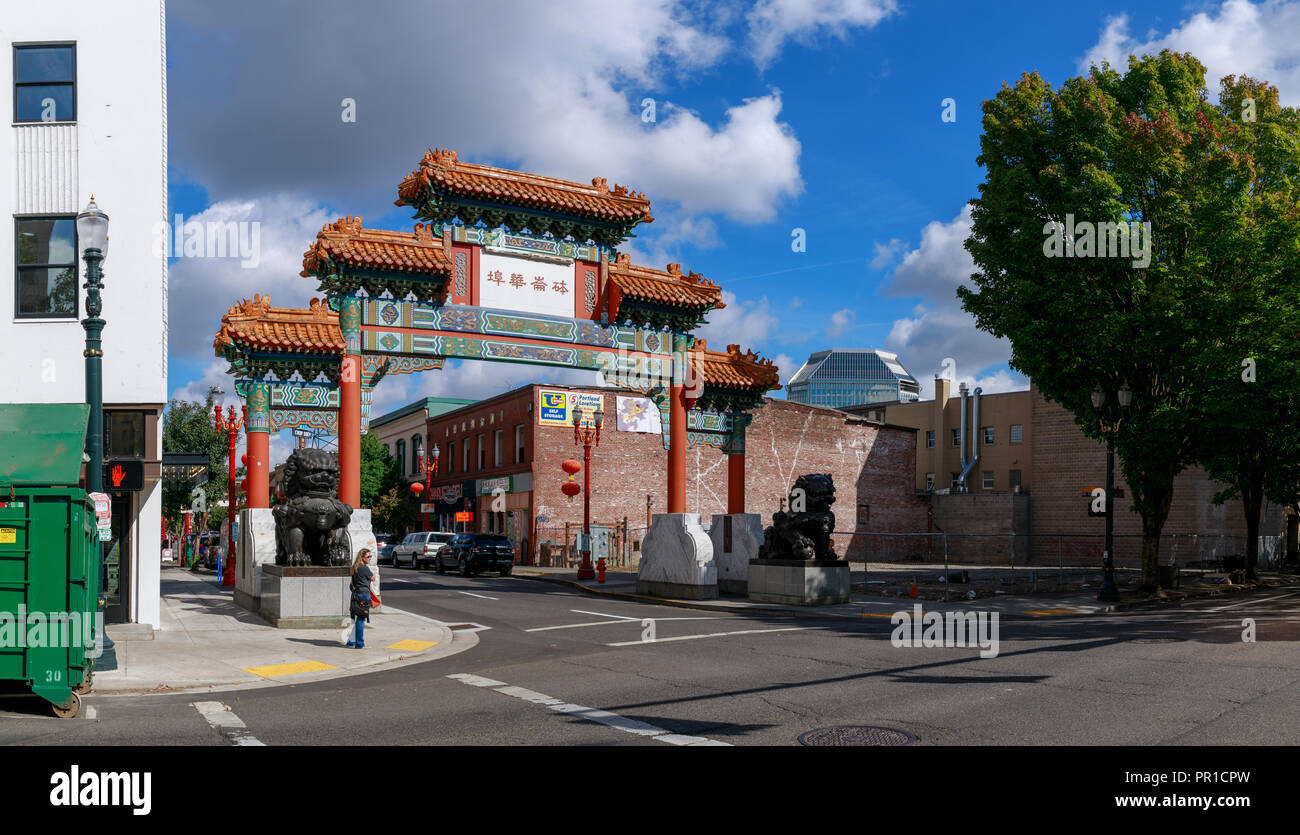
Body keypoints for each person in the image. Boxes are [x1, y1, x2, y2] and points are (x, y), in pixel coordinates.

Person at [348, 549, 374, 648]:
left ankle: (351, 641)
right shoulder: (364, 568)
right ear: (362, 557)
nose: (370, 558)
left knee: (358, 618)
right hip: (364, 595)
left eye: (370, 556)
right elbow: (373, 578)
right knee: (361, 619)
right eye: (368, 557)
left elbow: (351, 584)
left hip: (357, 595)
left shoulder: (355, 567)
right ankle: (359, 643)